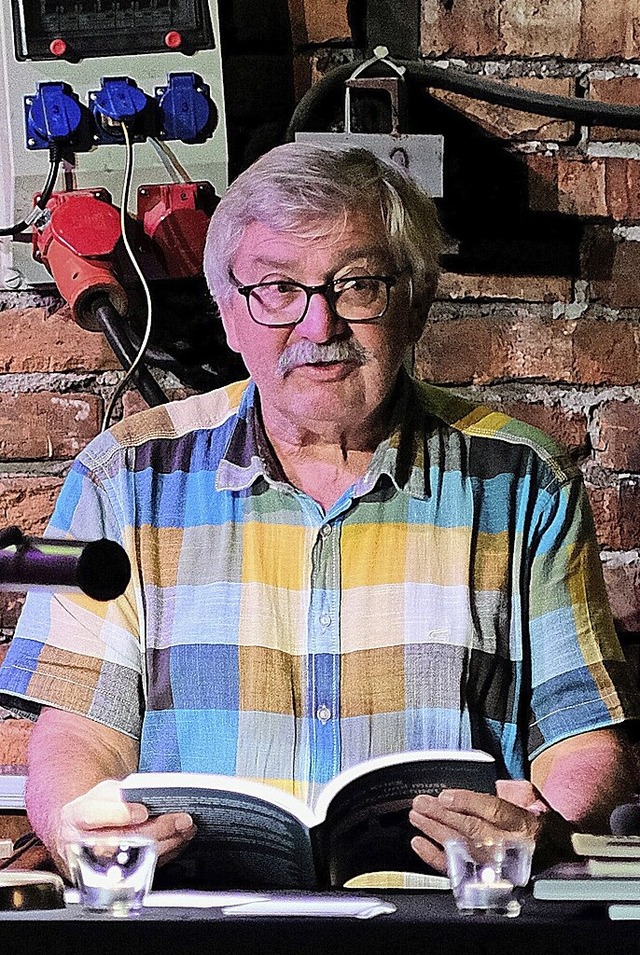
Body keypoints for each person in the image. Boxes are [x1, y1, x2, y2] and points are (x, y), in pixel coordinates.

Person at [0, 142, 638, 881]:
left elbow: (583, 743)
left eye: (358, 284)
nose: (318, 324)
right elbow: (79, 736)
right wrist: (79, 825)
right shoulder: (122, 476)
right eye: (276, 288)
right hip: (199, 929)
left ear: (418, 301)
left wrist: (547, 827)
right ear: (229, 315)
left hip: (443, 928)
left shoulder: (525, 479)